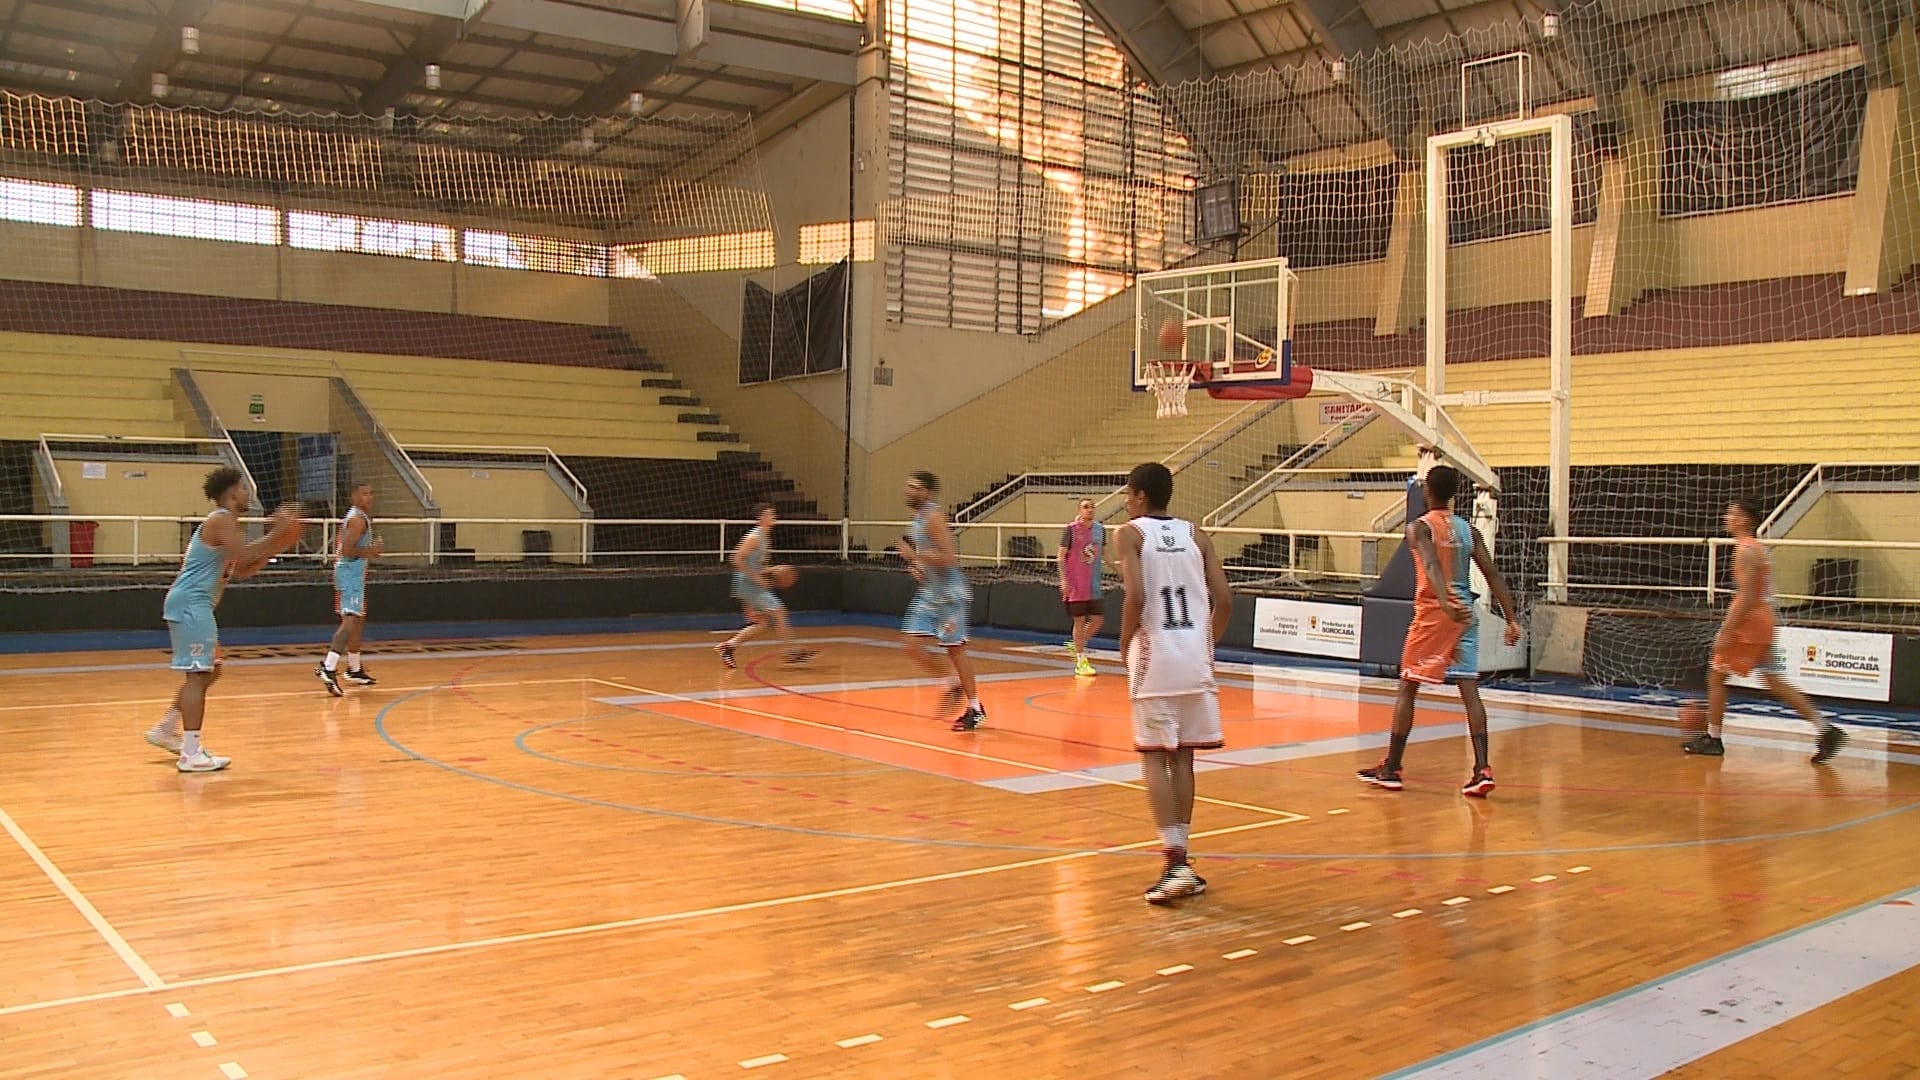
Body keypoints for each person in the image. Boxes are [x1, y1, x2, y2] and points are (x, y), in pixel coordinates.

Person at [1358, 465, 1522, 797]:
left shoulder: (1419, 528)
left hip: (1436, 614)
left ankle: (1392, 768)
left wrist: (1445, 603)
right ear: (1455, 495)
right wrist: (1511, 618)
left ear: (1427, 493)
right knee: (1469, 689)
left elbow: (1431, 565)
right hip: (1466, 616)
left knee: (1408, 687)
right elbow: (1493, 575)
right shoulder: (1469, 531)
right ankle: (1482, 769)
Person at [1116, 462, 1231, 904]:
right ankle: (1182, 860)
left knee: (1152, 758)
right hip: (1194, 656)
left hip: (1155, 654)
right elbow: (1223, 600)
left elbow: (1136, 595)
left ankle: (1174, 864)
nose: (1127, 502)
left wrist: (1125, 643)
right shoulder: (1197, 534)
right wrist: (1205, 644)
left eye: (1128, 494)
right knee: (1183, 759)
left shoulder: (1129, 534)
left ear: (1140, 496)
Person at [145, 467, 298, 772]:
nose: (247, 494)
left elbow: (239, 570)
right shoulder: (221, 520)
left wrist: (275, 547)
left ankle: (166, 728)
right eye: (242, 488)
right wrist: (278, 534)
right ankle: (190, 753)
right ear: (230, 493)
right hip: (191, 604)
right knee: (198, 675)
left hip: (196, 605)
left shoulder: (230, 526)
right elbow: (241, 556)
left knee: (211, 671)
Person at [1682, 497, 1847, 763]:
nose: (1727, 517)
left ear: (1747, 519)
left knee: (1715, 676)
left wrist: (1727, 629)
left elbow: (1746, 597)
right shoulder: (1755, 548)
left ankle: (1713, 738)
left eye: (1733, 513)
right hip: (1763, 619)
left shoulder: (1746, 550)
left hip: (1750, 621)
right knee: (1773, 680)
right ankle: (1825, 729)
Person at [894, 471, 984, 731]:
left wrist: (916, 555)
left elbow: (949, 557)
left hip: (950, 593)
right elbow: (928, 560)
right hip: (931, 591)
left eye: (915, 487)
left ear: (927, 492)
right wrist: (917, 566)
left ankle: (975, 707)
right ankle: (950, 683)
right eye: (908, 485)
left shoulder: (934, 517)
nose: (909, 490)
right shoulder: (917, 518)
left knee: (955, 650)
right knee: (911, 644)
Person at [717, 503, 814, 669]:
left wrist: (771, 570)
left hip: (750, 583)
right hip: (748, 583)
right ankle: (792, 651)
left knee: (762, 624)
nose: (773, 516)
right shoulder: (754, 537)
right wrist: (756, 577)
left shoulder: (764, 537)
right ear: (761, 518)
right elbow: (736, 559)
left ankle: (729, 647)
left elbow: (753, 564)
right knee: (779, 611)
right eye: (770, 514)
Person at [317, 482, 383, 696]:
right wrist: (371, 551)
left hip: (353, 574)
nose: (369, 497)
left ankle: (354, 669)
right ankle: (328, 666)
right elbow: (347, 550)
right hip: (349, 575)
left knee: (358, 618)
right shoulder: (357, 520)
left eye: (371, 493)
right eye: (365, 493)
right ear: (354, 495)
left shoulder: (358, 516)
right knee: (349, 621)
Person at [1058, 498, 1107, 677]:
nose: (1090, 510)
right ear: (1079, 510)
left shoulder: (1100, 530)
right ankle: (1080, 661)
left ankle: (1077, 644)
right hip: (1076, 583)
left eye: (1092, 507)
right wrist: (1064, 580)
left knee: (1097, 620)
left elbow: (1103, 553)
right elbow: (1060, 556)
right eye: (1086, 507)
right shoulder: (1071, 530)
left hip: (1093, 583)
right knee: (1079, 621)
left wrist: (1119, 568)